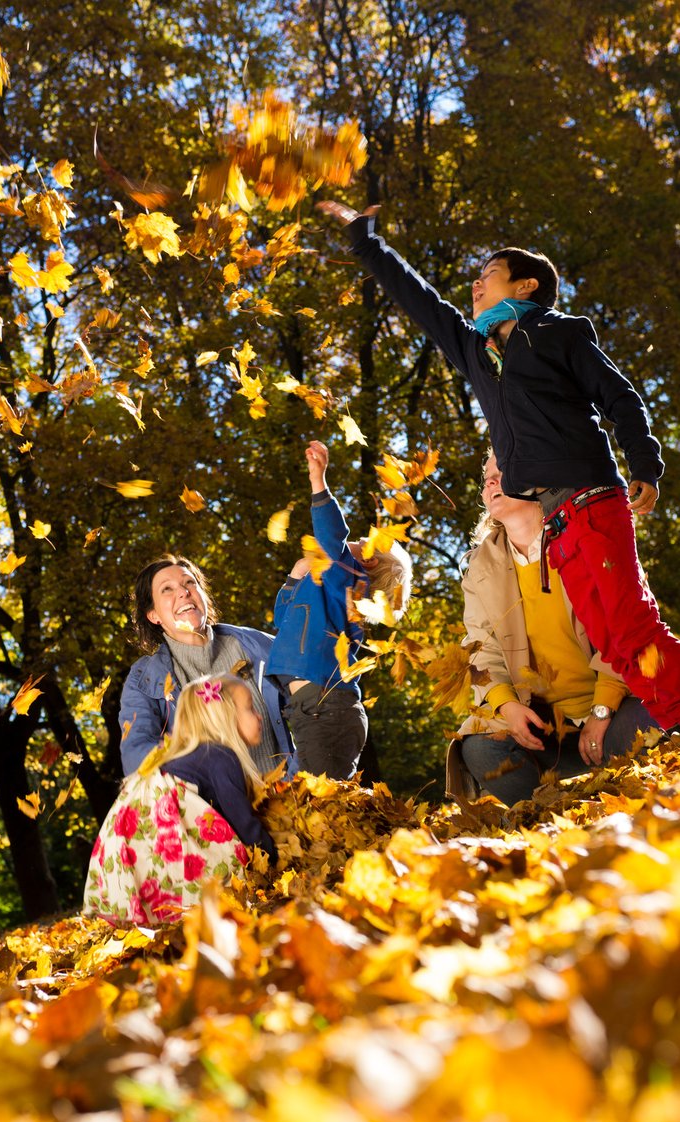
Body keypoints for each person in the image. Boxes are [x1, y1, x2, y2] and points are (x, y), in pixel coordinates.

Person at [318, 200, 680, 731]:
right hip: (555, 521)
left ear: (526, 286)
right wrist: (365, 241)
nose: (476, 283)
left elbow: (619, 397)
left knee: (632, 626)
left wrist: (644, 464)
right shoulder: (477, 351)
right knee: (608, 637)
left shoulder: (559, 333)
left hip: (592, 499)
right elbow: (421, 301)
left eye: (489, 274)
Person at [446, 452, 661, 805]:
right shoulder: (478, 569)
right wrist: (507, 707)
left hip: (615, 712)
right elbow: (480, 649)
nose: (489, 481)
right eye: (486, 476)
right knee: (481, 749)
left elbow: (629, 626)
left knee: (659, 714)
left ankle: (631, 797)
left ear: (538, 480)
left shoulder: (591, 534)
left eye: (501, 472)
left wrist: (603, 709)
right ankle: (556, 815)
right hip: (544, 733)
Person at [266, 440, 412, 778]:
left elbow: (332, 536)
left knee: (328, 804)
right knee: (326, 802)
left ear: (368, 560)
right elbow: (281, 619)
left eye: (359, 542)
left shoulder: (349, 577)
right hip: (314, 709)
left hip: (325, 710)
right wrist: (294, 577)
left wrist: (319, 483)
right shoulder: (327, 592)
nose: (350, 544)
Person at [85, 673, 278, 925]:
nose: (260, 716)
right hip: (160, 837)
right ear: (226, 717)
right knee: (224, 871)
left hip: (126, 843)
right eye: (251, 708)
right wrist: (271, 857)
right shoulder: (220, 757)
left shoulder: (177, 758)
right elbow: (244, 825)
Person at [118, 555, 294, 776]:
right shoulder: (144, 679)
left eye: (189, 582)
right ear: (153, 615)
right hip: (212, 809)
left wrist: (296, 779)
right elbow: (136, 756)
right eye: (167, 589)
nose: (183, 592)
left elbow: (313, 705)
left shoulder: (256, 646)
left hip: (288, 799)